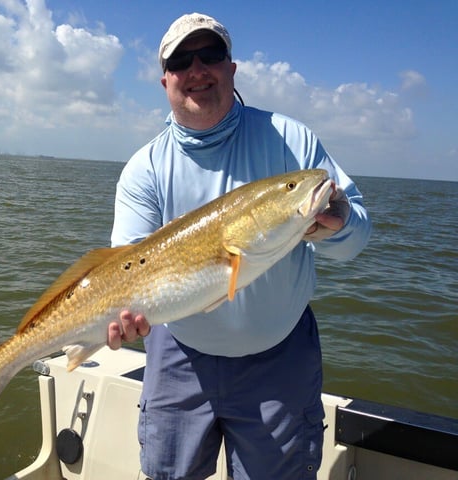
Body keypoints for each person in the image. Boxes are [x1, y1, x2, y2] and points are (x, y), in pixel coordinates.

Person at [107, 12, 371, 480]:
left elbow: (354, 243)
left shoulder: (292, 141)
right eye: (182, 60)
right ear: (165, 78)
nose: (197, 69)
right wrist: (121, 320)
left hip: (280, 358)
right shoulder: (144, 169)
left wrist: (340, 220)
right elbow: (123, 267)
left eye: (211, 55)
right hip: (179, 353)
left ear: (232, 67)